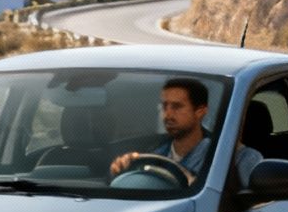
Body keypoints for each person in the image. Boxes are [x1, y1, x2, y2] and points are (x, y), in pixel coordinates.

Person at [109, 77, 263, 186]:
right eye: (165, 106)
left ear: (200, 111)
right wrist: (121, 171)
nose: (167, 115)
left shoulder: (238, 159)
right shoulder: (154, 155)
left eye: (176, 107)